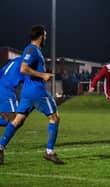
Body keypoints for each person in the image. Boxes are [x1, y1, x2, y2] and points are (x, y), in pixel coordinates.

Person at [0, 25, 64, 165]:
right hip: (36, 91)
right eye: (45, 36)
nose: (45, 38)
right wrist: (43, 75)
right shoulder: (31, 49)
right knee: (54, 118)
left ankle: (0, 147)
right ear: (41, 36)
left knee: (17, 121)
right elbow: (24, 68)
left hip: (27, 93)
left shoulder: (35, 51)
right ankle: (49, 152)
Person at [0, 57, 25, 127]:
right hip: (6, 90)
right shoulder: (24, 63)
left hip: (4, 89)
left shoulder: (14, 60)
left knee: (8, 119)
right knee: (15, 121)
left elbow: (1, 71)